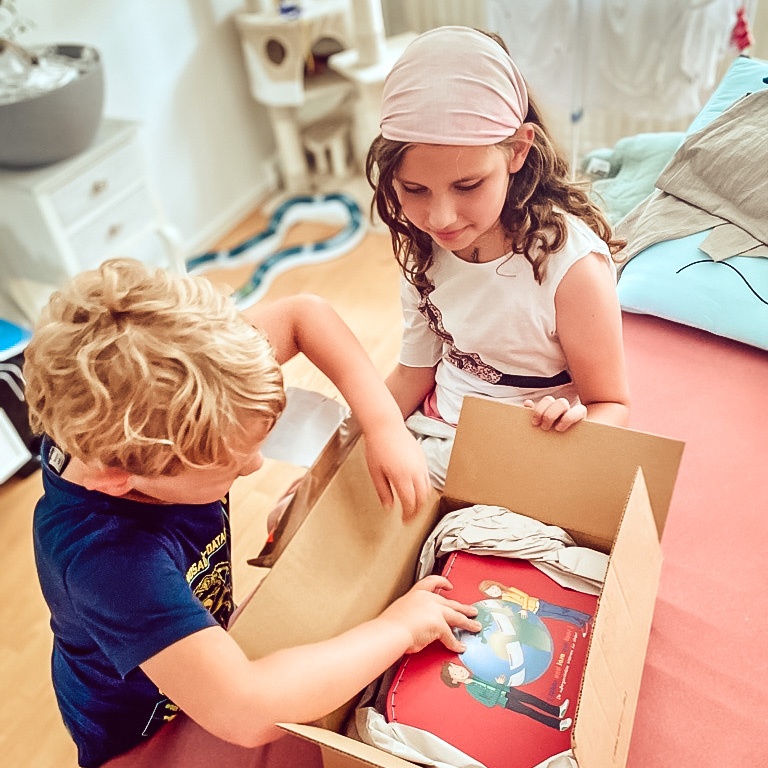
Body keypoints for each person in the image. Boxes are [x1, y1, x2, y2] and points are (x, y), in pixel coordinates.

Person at [23, 258, 481, 768]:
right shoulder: (107, 560)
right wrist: (398, 629)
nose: (257, 464)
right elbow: (244, 710)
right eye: (231, 469)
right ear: (117, 476)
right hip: (144, 731)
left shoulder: (177, 371)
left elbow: (303, 315)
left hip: (211, 650)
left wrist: (383, 424)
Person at [365, 26, 631, 488]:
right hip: (434, 433)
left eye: (467, 186)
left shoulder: (572, 268)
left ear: (518, 151)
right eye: (414, 190)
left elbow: (612, 404)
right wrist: (337, 454)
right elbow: (413, 374)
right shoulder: (423, 250)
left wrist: (572, 422)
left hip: (528, 450)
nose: (440, 217)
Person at [441, 661, 572, 731]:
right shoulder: (471, 689)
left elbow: (492, 679)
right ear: (454, 681)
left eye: (457, 667)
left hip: (508, 689)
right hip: (506, 702)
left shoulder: (476, 675)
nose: (460, 670)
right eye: (456, 673)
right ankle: (558, 724)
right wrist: (498, 686)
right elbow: (490, 703)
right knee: (530, 711)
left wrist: (500, 680)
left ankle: (557, 711)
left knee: (532, 699)